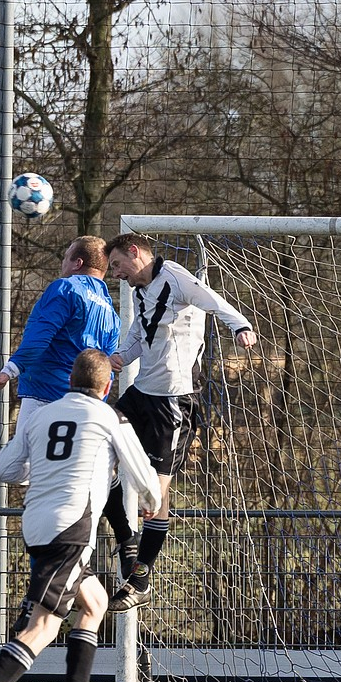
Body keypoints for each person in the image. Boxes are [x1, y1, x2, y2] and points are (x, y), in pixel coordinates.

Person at [0, 350, 160, 682]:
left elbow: (3, 470)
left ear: (70, 380)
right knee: (46, 624)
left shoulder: (41, 415)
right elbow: (142, 472)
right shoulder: (110, 416)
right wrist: (152, 502)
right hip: (72, 528)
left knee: (95, 603)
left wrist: (46, 466)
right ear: (106, 387)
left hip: (36, 525)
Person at [102, 232, 257, 612]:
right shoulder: (141, 289)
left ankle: (139, 580)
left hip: (174, 401)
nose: (116, 273)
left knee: (157, 498)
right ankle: (126, 539)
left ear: (135, 253)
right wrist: (122, 354)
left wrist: (240, 326)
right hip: (142, 393)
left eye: (118, 264)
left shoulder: (174, 275)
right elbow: (143, 333)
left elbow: (214, 302)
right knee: (97, 450)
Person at [0, 236, 132, 571]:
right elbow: (103, 365)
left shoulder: (64, 289)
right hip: (84, 402)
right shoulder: (109, 310)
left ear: (77, 262)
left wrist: (8, 371)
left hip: (44, 395)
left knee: (13, 469)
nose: (62, 264)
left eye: (65, 257)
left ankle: (48, 566)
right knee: (75, 480)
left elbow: (39, 337)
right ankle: (96, 546)